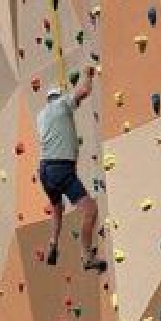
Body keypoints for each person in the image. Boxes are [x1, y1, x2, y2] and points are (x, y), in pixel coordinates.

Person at [35, 66, 107, 272]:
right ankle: (86, 256)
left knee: (57, 209)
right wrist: (88, 75)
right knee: (90, 210)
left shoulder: (41, 116)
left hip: (45, 170)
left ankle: (53, 244)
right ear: (58, 96)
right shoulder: (62, 105)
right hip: (61, 168)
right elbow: (84, 91)